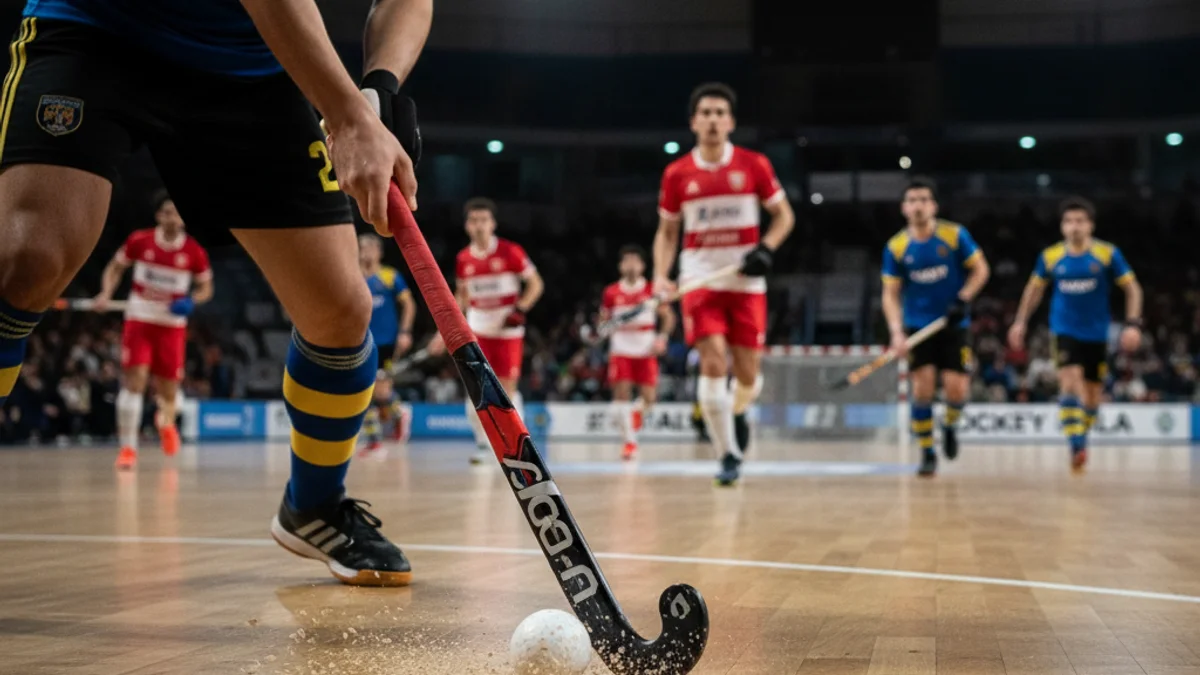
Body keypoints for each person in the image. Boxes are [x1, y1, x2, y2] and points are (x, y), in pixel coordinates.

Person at [0, 0, 431, 586]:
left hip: (252, 66)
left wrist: (380, 87)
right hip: (98, 28)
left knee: (341, 313)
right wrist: (350, 117)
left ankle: (313, 506)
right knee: (25, 260)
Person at [653, 83, 794, 486]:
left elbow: (784, 216)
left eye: (720, 113)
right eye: (706, 113)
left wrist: (766, 248)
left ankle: (737, 410)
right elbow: (667, 232)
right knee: (713, 361)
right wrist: (661, 276)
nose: (713, 120)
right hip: (699, 279)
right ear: (694, 122)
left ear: (730, 122)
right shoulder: (677, 173)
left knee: (748, 374)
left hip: (746, 284)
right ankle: (727, 454)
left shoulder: (754, 165)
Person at [1008, 196, 1142, 471]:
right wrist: (1020, 321)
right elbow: (1034, 290)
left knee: (1092, 398)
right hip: (1064, 330)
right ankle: (1077, 445)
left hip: (1097, 334)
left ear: (1091, 225)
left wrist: (1132, 324)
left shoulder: (1107, 254)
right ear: (1062, 227)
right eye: (1069, 221)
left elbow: (1133, 288)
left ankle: (1082, 435)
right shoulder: (1050, 256)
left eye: (1080, 221)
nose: (1074, 226)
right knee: (1069, 382)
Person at [94, 193, 213, 469]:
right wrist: (106, 293)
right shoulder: (140, 241)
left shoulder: (194, 252)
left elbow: (206, 288)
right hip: (139, 320)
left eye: (177, 213)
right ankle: (127, 448)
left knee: (170, 396)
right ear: (159, 216)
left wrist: (191, 300)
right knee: (134, 383)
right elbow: (115, 268)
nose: (173, 218)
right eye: (168, 212)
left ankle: (166, 423)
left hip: (171, 328)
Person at [881, 178, 991, 477]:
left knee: (957, 389)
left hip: (954, 325)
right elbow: (890, 294)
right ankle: (927, 452)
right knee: (922, 388)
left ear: (933, 206)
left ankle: (950, 425)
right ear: (904, 208)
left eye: (923, 200)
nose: (918, 206)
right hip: (918, 328)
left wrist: (963, 298)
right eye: (912, 200)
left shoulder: (954, 235)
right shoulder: (896, 247)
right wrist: (896, 332)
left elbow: (981, 270)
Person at [430, 198, 545, 464]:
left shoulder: (511, 251)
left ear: (493, 224)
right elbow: (461, 297)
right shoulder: (463, 259)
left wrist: (520, 309)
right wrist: (443, 331)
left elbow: (536, 284)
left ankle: (516, 445)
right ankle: (483, 445)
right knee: (476, 388)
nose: (479, 226)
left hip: (507, 332)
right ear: (467, 226)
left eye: (484, 220)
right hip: (477, 330)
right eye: (474, 221)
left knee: (507, 388)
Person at [600, 245, 675, 460]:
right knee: (621, 396)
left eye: (635, 261)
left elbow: (668, 318)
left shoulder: (651, 291)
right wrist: (603, 328)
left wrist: (661, 339)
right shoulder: (611, 292)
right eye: (627, 261)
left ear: (642, 266)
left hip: (646, 350)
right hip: (621, 350)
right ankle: (630, 443)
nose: (631, 265)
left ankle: (632, 417)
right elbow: (604, 321)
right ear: (620, 266)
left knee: (649, 399)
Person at [359, 233, 415, 370]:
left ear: (380, 252)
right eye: (364, 248)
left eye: (372, 248)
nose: (368, 252)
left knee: (385, 379)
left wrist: (405, 332)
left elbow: (409, 305)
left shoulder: (390, 275)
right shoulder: (352, 279)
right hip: (360, 343)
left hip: (387, 341)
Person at [359, 369, 412, 459]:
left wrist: (399, 434)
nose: (380, 387)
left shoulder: (393, 398)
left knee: (403, 412)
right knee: (369, 415)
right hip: (377, 415)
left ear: (389, 384)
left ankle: (399, 436)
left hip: (390, 417)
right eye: (378, 383)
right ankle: (374, 443)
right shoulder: (370, 396)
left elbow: (395, 415)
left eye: (383, 383)